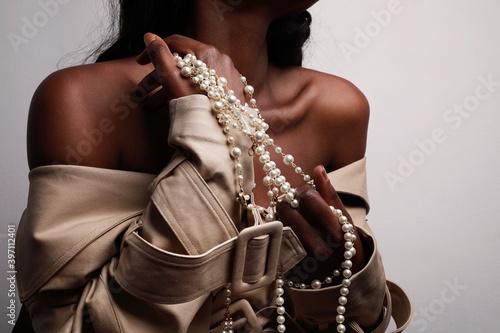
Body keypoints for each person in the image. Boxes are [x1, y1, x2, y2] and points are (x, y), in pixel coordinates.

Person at [15, 0, 412, 332]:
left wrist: (344, 273)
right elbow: (73, 325)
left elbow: (352, 319)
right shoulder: (82, 102)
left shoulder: (338, 108)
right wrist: (212, 138)